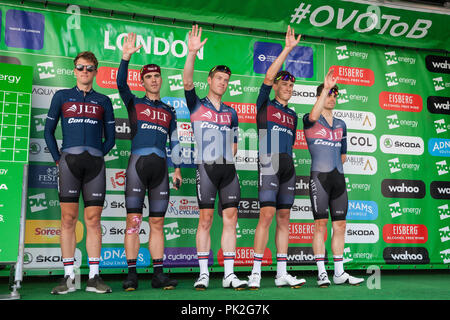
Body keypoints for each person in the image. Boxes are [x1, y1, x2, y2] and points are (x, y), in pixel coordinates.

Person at [44, 51, 116, 294]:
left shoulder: (104, 100)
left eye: (89, 68)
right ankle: (68, 277)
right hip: (69, 164)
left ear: (96, 72)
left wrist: (97, 154)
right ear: (74, 70)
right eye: (80, 67)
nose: (85, 71)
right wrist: (58, 159)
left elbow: (112, 139)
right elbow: (48, 132)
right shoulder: (62, 96)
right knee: (67, 220)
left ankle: (94, 277)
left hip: (95, 165)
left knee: (94, 221)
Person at [117, 33, 182, 291]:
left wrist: (176, 168)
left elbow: (174, 141)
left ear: (161, 80)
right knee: (133, 221)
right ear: (142, 81)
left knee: (157, 222)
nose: (154, 80)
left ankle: (158, 274)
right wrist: (126, 57)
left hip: (161, 170)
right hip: (137, 166)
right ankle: (132, 274)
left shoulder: (169, 110)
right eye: (149, 77)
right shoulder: (133, 102)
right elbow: (121, 84)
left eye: (157, 76)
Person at [183, 25, 246, 290]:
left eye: (226, 80)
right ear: (209, 80)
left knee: (231, 219)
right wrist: (192, 53)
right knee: (206, 220)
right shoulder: (197, 104)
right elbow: (187, 81)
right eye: (218, 78)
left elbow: (234, 145)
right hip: (206, 169)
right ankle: (204, 274)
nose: (223, 82)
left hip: (228, 171)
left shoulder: (231, 112)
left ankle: (229, 275)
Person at [247, 26, 306, 290]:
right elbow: (269, 76)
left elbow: (290, 144)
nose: (289, 88)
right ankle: (256, 272)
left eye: (292, 85)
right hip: (269, 159)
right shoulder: (265, 103)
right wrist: (288, 49)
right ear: (276, 86)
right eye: (285, 84)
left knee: (284, 218)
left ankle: (282, 273)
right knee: (267, 215)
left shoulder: (293, 115)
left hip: (288, 164)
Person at [303, 68, 364, 287]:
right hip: (320, 178)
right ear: (320, 96)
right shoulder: (309, 119)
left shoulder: (341, 124)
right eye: (329, 93)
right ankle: (321, 272)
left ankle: (339, 272)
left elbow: (343, 155)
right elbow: (312, 115)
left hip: (338, 179)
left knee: (340, 226)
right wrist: (325, 87)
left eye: (335, 94)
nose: (333, 97)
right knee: (320, 225)